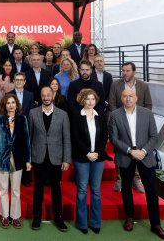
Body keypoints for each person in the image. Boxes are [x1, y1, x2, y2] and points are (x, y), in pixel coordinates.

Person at [109, 88, 164, 240]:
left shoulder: (147, 114)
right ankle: (129, 218)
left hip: (145, 155)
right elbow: (114, 139)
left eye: (131, 96)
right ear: (121, 98)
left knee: (151, 190)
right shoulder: (115, 115)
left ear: (136, 98)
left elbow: (154, 136)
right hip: (126, 156)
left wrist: (143, 151)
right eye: (125, 96)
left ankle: (155, 224)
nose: (128, 99)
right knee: (126, 188)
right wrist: (130, 151)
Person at [29, 86, 71, 232]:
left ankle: (58, 217)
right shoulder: (33, 113)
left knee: (56, 188)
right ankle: (37, 216)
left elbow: (67, 138)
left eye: (48, 95)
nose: (46, 97)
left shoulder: (63, 114)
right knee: (38, 187)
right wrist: (29, 158)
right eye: (43, 95)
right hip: (39, 156)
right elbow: (29, 137)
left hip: (56, 157)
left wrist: (66, 159)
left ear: (53, 95)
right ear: (40, 97)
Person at [70, 88, 112, 234]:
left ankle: (95, 222)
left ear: (96, 101)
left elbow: (104, 136)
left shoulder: (100, 116)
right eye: (87, 99)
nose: (90, 101)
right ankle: (81, 223)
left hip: (98, 158)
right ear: (82, 100)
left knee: (96, 190)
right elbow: (75, 138)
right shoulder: (76, 115)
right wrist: (87, 153)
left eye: (93, 99)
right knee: (81, 190)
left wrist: (97, 153)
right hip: (82, 158)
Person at [109, 61, 152, 193]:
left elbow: (148, 105)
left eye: (127, 71)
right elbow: (112, 104)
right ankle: (119, 179)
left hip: (139, 125)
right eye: (123, 70)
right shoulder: (115, 84)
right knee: (120, 150)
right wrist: (120, 118)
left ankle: (136, 179)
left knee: (138, 149)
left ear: (134, 72)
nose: (124, 73)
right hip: (120, 122)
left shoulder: (143, 86)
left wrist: (141, 119)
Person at [0, 94, 31, 229]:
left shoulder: (22, 119)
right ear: (4, 106)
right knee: (2, 189)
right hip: (2, 158)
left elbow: (26, 141)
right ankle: (5, 216)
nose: (11, 105)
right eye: (8, 103)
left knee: (15, 189)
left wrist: (28, 160)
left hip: (18, 159)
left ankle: (15, 216)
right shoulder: (0, 119)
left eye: (13, 102)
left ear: (17, 105)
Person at [7, 72, 35, 187]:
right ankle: (10, 178)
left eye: (21, 80)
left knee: (24, 153)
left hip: (25, 128)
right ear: (13, 81)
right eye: (16, 80)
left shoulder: (30, 95)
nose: (19, 82)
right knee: (11, 153)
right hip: (11, 127)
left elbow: (32, 112)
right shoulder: (8, 94)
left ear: (24, 82)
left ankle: (24, 178)